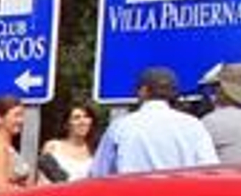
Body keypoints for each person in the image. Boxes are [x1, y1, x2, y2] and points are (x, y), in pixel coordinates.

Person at [90, 66, 219, 176]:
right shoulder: (193, 126)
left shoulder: (121, 126)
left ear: (143, 91)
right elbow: (210, 171)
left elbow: (98, 173)